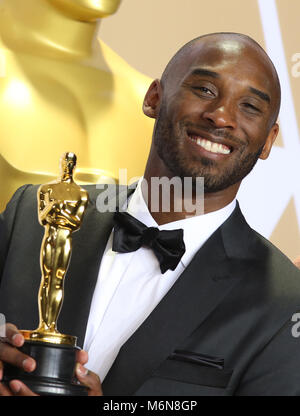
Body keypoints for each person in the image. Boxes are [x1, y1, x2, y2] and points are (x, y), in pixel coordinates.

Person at [1, 32, 300, 396]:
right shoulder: (34, 215)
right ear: (154, 97)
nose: (221, 116)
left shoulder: (284, 304)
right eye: (205, 89)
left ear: (268, 140)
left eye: (250, 107)